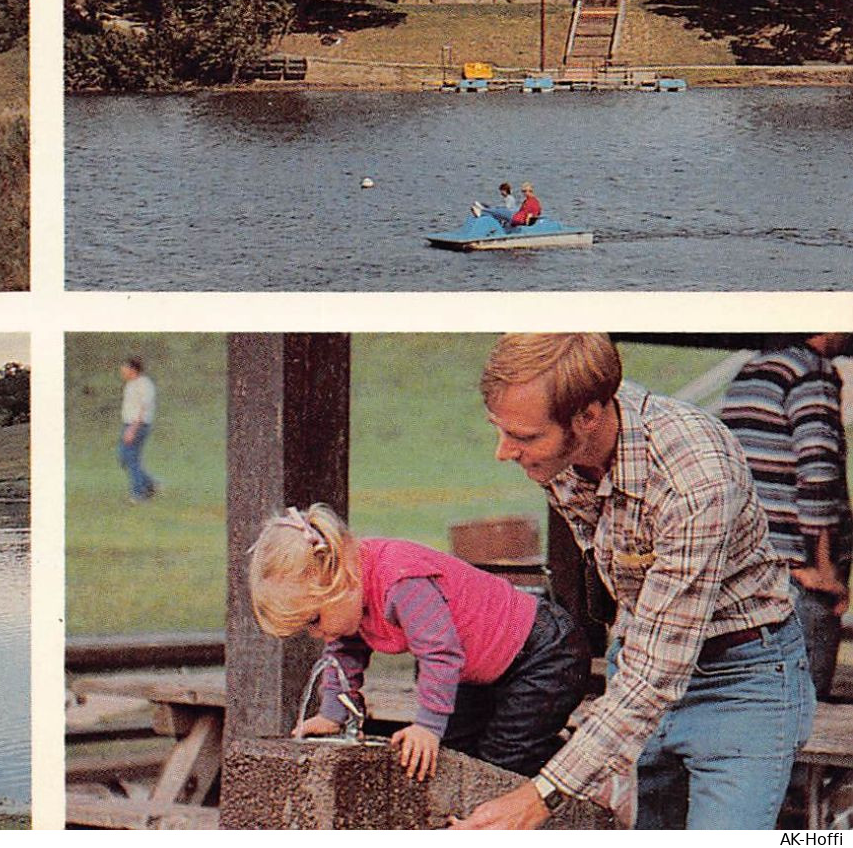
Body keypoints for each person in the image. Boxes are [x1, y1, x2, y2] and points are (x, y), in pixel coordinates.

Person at [455, 334, 813, 830]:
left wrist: (538, 797)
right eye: (502, 430)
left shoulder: (694, 479)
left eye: (525, 436)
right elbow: (620, 579)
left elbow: (657, 672)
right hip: (642, 663)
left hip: (740, 680)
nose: (504, 452)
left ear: (588, 417)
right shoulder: (558, 457)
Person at [249, 505, 589, 781]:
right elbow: (344, 652)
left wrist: (426, 726)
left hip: (543, 653)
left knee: (503, 758)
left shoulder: (401, 581)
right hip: (483, 670)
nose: (317, 634)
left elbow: (440, 652)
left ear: (340, 580)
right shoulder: (350, 597)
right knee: (454, 753)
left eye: (314, 621)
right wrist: (332, 713)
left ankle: (576, 777)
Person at [721, 333, 852, 699]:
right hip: (801, 577)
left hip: (751, 569)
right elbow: (818, 472)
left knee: (759, 708)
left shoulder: (752, 370)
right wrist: (824, 568)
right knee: (806, 713)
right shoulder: (811, 372)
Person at [119, 357, 158, 502]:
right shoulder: (131, 384)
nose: (122, 372)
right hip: (128, 424)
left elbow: (143, 408)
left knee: (131, 459)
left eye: (125, 369)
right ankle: (148, 483)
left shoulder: (144, 385)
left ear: (133, 370)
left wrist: (132, 429)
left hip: (138, 425)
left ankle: (139, 493)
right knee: (124, 457)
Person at [473, 182, 541, 228]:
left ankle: (482, 210)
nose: (524, 193)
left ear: (530, 191)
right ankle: (483, 212)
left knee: (500, 211)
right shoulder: (529, 201)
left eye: (525, 191)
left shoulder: (532, 202)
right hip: (515, 217)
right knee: (497, 212)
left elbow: (531, 215)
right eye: (523, 191)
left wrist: (525, 225)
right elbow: (537, 213)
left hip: (515, 218)